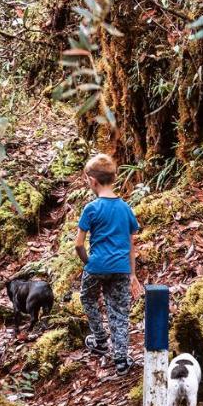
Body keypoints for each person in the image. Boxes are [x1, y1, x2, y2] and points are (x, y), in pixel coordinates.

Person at [74, 153, 143, 375]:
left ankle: (101, 339)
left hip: (96, 266)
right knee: (119, 312)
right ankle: (121, 360)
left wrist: (89, 264)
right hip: (122, 268)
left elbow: (78, 245)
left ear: (93, 181)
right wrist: (133, 275)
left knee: (87, 297)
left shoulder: (91, 209)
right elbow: (132, 247)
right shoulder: (126, 209)